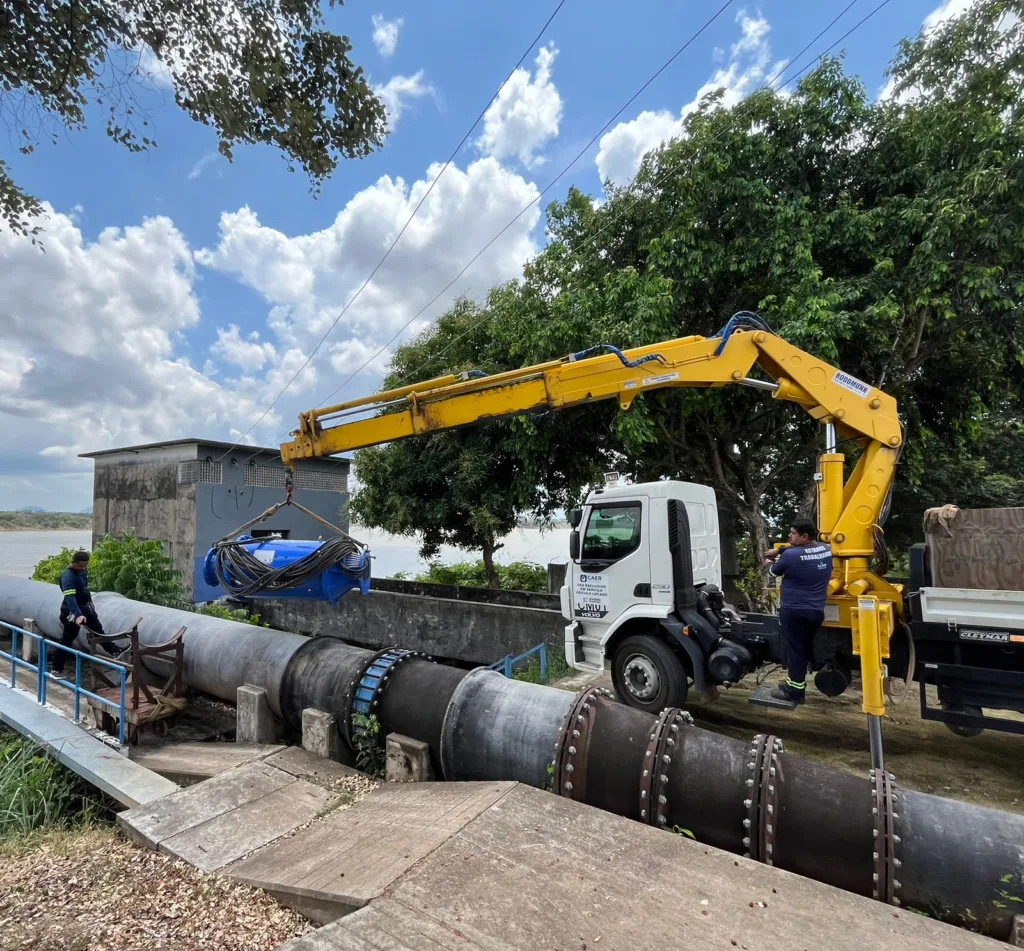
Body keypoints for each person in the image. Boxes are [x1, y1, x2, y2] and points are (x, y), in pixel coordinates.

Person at [762, 519, 833, 706]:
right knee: (803, 648)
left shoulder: (792, 556)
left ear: (804, 536)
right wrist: (780, 550)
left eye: (792, 534)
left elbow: (773, 572)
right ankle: (799, 678)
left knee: (795, 652)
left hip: (794, 611)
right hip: (816, 612)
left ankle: (795, 692)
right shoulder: (825, 549)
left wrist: (769, 561)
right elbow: (798, 551)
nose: (789, 536)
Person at [53, 550, 118, 675]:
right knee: (67, 639)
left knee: (98, 630)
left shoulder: (82, 571)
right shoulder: (68, 577)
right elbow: (70, 598)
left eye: (86, 565)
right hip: (71, 612)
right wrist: (77, 615)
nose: (84, 568)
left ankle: (114, 650)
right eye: (81, 566)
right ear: (73, 563)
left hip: (86, 608)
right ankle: (57, 668)